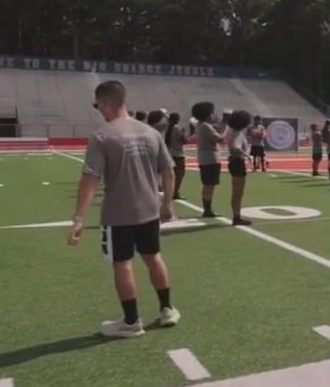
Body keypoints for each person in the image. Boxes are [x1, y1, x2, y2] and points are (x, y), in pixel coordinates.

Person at [68, 81, 179, 338]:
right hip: (149, 209)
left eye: (98, 106)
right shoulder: (151, 133)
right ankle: (167, 309)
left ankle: (131, 322)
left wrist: (78, 218)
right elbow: (168, 171)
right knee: (153, 256)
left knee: (122, 264)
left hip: (118, 214)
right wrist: (167, 204)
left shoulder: (103, 136)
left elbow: (90, 178)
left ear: (105, 104)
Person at [191, 102, 227, 218]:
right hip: (211, 158)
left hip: (204, 157)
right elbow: (220, 138)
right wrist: (225, 127)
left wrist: (223, 125)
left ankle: (207, 209)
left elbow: (218, 129)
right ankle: (208, 210)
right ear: (207, 115)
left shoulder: (201, 125)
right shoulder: (206, 126)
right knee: (210, 184)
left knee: (208, 184)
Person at [226, 121, 252, 225]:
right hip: (238, 162)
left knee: (236, 192)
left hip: (234, 162)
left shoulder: (231, 132)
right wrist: (246, 154)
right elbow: (236, 147)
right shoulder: (238, 134)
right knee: (238, 192)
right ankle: (236, 217)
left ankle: (236, 215)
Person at [163, 113, 187, 200]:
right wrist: (184, 133)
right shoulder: (178, 129)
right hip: (178, 153)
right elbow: (184, 140)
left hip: (169, 152)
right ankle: (175, 192)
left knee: (170, 174)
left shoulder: (167, 128)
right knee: (179, 174)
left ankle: (168, 191)